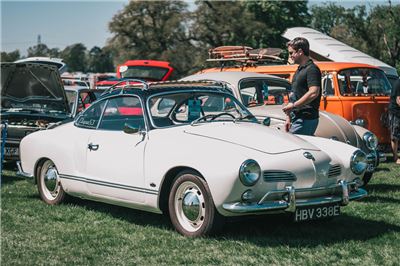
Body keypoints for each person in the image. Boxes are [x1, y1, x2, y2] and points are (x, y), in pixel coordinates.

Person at [282, 37, 322, 136]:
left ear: (300, 51)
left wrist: (294, 105)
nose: (290, 56)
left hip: (306, 119)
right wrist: (288, 117)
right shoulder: (299, 70)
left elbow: (314, 92)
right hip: (297, 118)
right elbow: (294, 94)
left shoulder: (312, 69)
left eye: (291, 53)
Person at [389, 79, 400, 164]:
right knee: (394, 136)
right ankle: (395, 158)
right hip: (395, 113)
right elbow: (398, 100)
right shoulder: (398, 84)